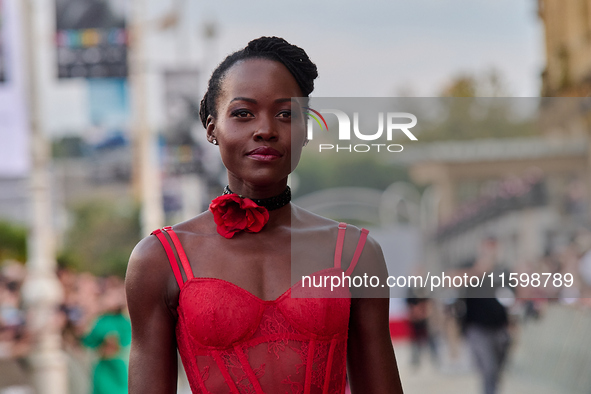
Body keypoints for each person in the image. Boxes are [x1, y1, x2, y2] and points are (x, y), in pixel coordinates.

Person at [125, 36, 404, 394]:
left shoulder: (355, 254)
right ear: (211, 128)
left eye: (286, 114)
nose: (266, 130)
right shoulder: (158, 259)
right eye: (243, 113)